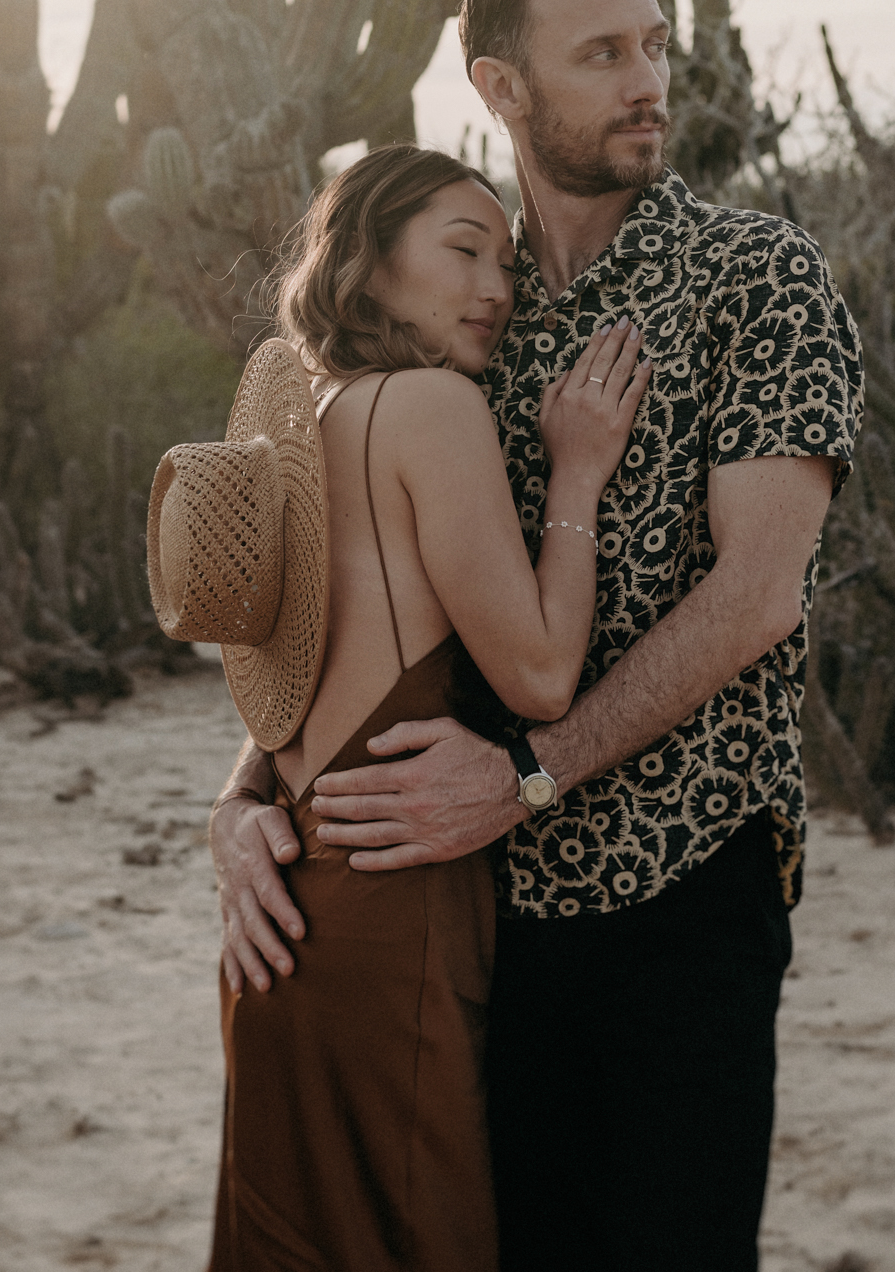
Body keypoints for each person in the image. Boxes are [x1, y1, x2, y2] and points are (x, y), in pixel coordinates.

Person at [211, 0, 864, 1271]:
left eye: (654, 48)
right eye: (601, 53)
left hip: (678, 894)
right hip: (474, 915)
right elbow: (377, 601)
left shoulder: (757, 278)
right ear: (501, 89)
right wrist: (242, 804)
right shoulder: (465, 322)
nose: (647, 82)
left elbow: (758, 595)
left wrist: (524, 778)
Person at [186, 144, 650, 1271]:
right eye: (460, 249)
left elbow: (288, 685)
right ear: (367, 261)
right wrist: (579, 471)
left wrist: (229, 810)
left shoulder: (306, 428)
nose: (496, 285)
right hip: (394, 914)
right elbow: (541, 678)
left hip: (282, 919)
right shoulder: (434, 408)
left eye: (506, 259)